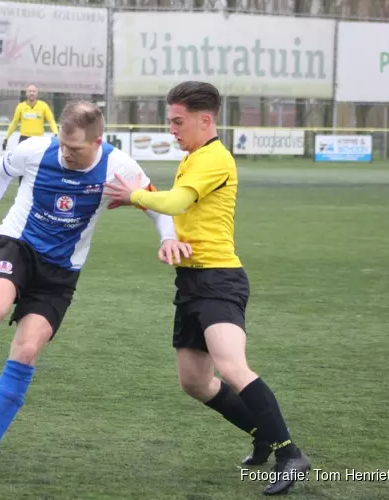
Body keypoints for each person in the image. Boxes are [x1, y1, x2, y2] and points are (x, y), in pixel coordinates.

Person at [0, 101, 191, 480]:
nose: (67, 153)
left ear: (98, 141)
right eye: (64, 144)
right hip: (18, 246)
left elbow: (157, 204)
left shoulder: (120, 167)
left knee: (27, 350)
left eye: (76, 149)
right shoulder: (35, 151)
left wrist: (167, 238)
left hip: (61, 271)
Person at [104, 81, 311, 496]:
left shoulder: (214, 158)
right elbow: (185, 212)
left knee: (232, 367)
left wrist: (135, 197)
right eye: (169, 122)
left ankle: (291, 454)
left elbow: (177, 202)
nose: (172, 130)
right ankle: (262, 433)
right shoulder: (194, 157)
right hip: (192, 280)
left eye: (178, 122)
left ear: (206, 119)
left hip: (219, 279)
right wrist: (168, 235)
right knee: (195, 382)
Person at [3, 85, 59, 186]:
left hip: (38, 140)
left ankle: (36, 185)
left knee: (37, 164)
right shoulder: (21, 107)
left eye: (33, 91)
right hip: (24, 138)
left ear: (36, 93)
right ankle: (21, 185)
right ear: (26, 94)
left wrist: (56, 133)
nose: (32, 93)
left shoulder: (43, 106)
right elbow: (14, 123)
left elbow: (51, 120)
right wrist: (7, 137)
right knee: (21, 164)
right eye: (29, 91)